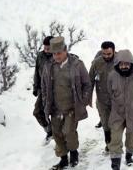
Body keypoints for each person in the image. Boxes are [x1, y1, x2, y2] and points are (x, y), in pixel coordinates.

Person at [41, 36, 92, 169]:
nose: (56, 56)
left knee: (69, 132)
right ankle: (63, 158)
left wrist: (83, 100)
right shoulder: (48, 67)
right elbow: (45, 86)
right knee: (57, 133)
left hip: (72, 108)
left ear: (65, 50)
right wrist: (45, 101)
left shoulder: (77, 65)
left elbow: (87, 84)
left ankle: (74, 153)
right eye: (53, 54)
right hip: (55, 108)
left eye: (58, 53)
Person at [89, 41, 116, 152]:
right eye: (104, 54)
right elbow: (89, 80)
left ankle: (115, 144)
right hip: (102, 99)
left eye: (109, 54)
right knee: (105, 123)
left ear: (114, 51)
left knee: (116, 124)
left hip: (117, 99)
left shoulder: (121, 61)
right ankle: (108, 144)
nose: (106, 56)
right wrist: (88, 97)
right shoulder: (96, 63)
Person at [32, 36, 53, 144]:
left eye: (48, 47)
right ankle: (50, 131)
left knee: (54, 114)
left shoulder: (57, 56)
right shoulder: (40, 56)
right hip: (43, 90)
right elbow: (36, 72)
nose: (46, 49)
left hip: (55, 90)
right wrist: (35, 87)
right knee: (37, 112)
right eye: (45, 47)